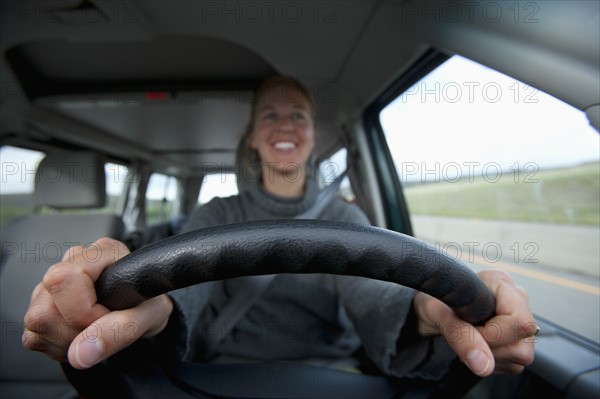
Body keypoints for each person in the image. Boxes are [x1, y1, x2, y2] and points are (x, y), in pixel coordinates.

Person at [23, 76, 536, 382]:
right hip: (223, 373)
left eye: (299, 116)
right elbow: (184, 299)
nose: (285, 125)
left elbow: (373, 296)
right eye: (270, 115)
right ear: (253, 138)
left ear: (313, 137)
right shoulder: (220, 213)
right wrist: (152, 309)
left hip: (330, 377)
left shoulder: (344, 217)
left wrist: (431, 304)